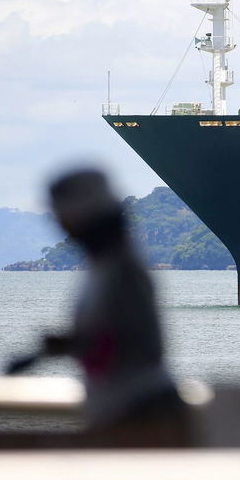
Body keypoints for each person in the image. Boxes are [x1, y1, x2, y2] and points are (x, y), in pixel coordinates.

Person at [42, 168, 188, 439]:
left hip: (140, 410)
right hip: (115, 405)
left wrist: (73, 343)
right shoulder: (103, 266)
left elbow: (140, 344)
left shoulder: (123, 270)